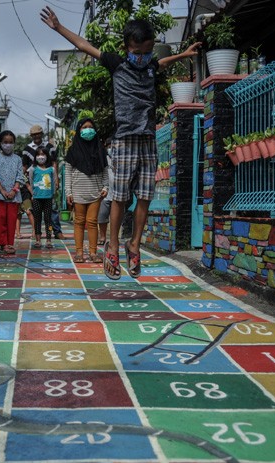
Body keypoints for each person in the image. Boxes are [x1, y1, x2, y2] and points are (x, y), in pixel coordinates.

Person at [41, 6, 200, 279]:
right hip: (124, 140)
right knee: (120, 196)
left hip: (148, 139)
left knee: (146, 196)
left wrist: (183, 55)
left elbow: (160, 63)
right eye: (136, 52)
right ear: (126, 47)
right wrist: (58, 28)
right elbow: (84, 45)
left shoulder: (150, 64)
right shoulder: (117, 63)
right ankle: (112, 245)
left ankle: (134, 243)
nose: (141, 58)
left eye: (146, 52)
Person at [65, 118, 109, 262]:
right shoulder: (73, 151)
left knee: (92, 222)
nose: (87, 130)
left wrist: (105, 186)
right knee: (78, 222)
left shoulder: (99, 149)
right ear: (79, 130)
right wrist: (68, 192)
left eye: (90, 127)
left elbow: (105, 170)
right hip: (77, 192)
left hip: (95, 192)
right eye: (84, 127)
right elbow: (68, 172)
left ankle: (93, 253)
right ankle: (79, 253)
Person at [24, 124, 65, 239]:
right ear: (31, 136)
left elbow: (54, 163)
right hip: (35, 187)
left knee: (53, 210)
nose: (36, 136)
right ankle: (37, 233)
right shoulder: (27, 149)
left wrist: (56, 180)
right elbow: (25, 167)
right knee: (36, 214)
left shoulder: (50, 146)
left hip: (48, 184)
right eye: (34, 134)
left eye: (38, 134)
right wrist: (28, 186)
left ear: (42, 134)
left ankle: (55, 231)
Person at [0, 130, 24, 254]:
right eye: (5, 142)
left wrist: (14, 190)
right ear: (0, 143)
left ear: (14, 143)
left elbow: (20, 176)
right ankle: (2, 244)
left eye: (11, 142)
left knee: (11, 220)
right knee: (0, 220)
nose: (8, 144)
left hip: (14, 196)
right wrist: (2, 190)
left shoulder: (18, 159)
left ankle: (8, 243)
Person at [30, 146, 57, 249]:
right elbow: (31, 181)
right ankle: (38, 240)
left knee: (48, 220)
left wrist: (53, 196)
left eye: (43, 154)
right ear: (35, 157)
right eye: (38, 155)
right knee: (37, 219)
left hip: (48, 198)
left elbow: (54, 183)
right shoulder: (33, 169)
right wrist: (33, 194)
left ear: (47, 156)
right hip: (37, 198)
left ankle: (49, 239)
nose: (41, 157)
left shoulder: (51, 169)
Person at [17, 155, 36, 239]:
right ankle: (17, 232)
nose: (21, 168)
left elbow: (28, 186)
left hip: (25, 196)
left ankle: (34, 230)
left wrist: (33, 195)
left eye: (23, 166)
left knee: (29, 212)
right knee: (18, 214)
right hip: (17, 196)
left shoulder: (24, 176)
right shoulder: (14, 175)